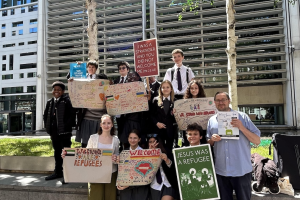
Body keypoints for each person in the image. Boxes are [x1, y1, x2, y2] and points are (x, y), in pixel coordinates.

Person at [207, 92, 261, 200]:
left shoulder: (243, 117)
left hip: (241, 170)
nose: (221, 102)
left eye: (223, 99)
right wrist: (212, 140)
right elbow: (208, 143)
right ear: (214, 103)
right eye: (218, 100)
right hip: (221, 171)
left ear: (229, 101)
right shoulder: (211, 120)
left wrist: (241, 127)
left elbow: (257, 140)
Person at [68, 60, 108, 148]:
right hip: (86, 115)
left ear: (96, 69)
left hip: (99, 116)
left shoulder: (101, 78)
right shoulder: (82, 77)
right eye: (89, 67)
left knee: (98, 142)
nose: (91, 69)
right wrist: (76, 67)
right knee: (86, 142)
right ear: (87, 68)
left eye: (93, 67)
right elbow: (71, 79)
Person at [43, 81, 75, 181]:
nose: (56, 91)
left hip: (64, 132)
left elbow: (72, 116)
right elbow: (45, 116)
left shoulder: (67, 101)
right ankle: (58, 172)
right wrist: (48, 128)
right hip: (54, 132)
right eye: (54, 90)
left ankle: (68, 175)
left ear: (63, 91)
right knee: (57, 153)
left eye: (59, 90)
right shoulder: (50, 102)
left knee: (66, 153)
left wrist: (66, 126)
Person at [86, 114, 120, 200]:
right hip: (95, 173)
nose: (106, 125)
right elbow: (85, 155)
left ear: (112, 124)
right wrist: (67, 154)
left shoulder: (115, 140)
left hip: (111, 173)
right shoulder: (93, 138)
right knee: (95, 196)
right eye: (104, 123)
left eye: (108, 123)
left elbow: (117, 156)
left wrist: (116, 158)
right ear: (100, 124)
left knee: (110, 197)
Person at [117, 129, 150, 200]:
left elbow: (144, 174)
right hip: (126, 189)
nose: (132, 140)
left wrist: (129, 184)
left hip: (140, 188)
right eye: (130, 138)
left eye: (135, 138)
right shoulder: (123, 153)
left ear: (139, 139)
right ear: (128, 139)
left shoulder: (145, 153)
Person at [148, 133, 179, 200]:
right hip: (155, 185)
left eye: (154, 141)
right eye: (150, 142)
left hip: (168, 183)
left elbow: (174, 169)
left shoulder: (166, 151)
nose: (153, 144)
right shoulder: (144, 154)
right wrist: (150, 155)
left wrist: (167, 160)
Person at [151, 80, 177, 150]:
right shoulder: (155, 100)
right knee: (160, 150)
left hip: (170, 130)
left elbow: (176, 119)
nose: (165, 89)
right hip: (159, 131)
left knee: (169, 150)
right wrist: (157, 123)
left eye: (167, 87)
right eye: (163, 87)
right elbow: (151, 115)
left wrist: (175, 114)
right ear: (160, 89)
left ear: (171, 89)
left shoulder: (175, 101)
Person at [180, 80, 206, 146]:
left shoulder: (205, 102)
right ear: (189, 90)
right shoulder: (183, 103)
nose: (194, 90)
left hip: (202, 128)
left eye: (196, 88)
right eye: (192, 88)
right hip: (188, 129)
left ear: (199, 89)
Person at [113, 61, 130, 150]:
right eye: (120, 68)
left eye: (123, 68)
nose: (121, 70)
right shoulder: (116, 81)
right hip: (119, 112)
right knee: (121, 132)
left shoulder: (132, 80)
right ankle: (121, 149)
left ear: (128, 69)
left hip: (130, 112)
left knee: (129, 134)